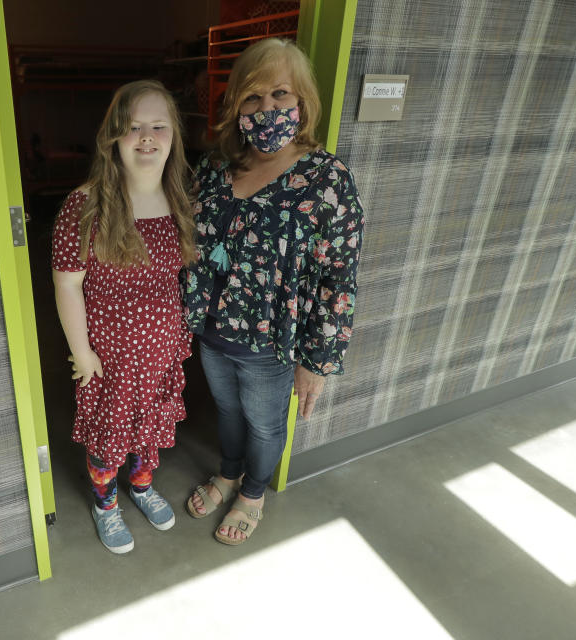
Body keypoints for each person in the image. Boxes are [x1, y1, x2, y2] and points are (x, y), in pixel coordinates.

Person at [184, 38, 365, 545]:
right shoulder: (216, 170)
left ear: (301, 101)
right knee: (224, 410)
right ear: (237, 107)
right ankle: (227, 471)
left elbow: (339, 277)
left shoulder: (327, 179)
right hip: (214, 333)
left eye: (280, 94)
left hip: (270, 345)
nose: (267, 109)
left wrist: (318, 360)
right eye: (252, 98)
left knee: (264, 425)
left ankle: (253, 493)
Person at [52, 80, 195, 554]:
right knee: (109, 434)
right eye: (134, 127)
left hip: (160, 352)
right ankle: (105, 502)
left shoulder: (179, 200)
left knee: (148, 427)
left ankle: (140, 484)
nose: (147, 137)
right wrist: (82, 353)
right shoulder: (85, 204)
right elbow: (68, 284)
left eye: (159, 126)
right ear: (113, 136)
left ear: (174, 136)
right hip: (109, 358)